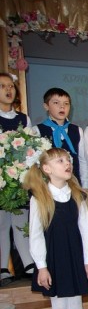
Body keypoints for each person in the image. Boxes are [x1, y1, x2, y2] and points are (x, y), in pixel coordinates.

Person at [24, 148, 88, 309]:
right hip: (54, 258)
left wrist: (87, 261)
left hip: (74, 256)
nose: (67, 164)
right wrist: (42, 267)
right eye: (60, 161)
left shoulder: (78, 196)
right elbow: (36, 235)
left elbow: (86, 231)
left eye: (68, 160)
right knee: (59, 306)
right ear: (46, 169)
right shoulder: (39, 198)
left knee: (75, 304)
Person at [0, 72, 34, 283]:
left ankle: (28, 264)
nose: (8, 89)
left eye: (11, 86)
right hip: (1, 179)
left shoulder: (23, 119)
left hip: (19, 177)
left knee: (21, 220)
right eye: (3, 86)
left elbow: (30, 148)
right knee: (2, 223)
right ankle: (3, 267)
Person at [35, 88, 88, 188]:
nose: (62, 106)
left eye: (66, 103)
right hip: (49, 186)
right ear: (46, 106)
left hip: (74, 184)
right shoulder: (37, 130)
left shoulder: (77, 130)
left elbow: (82, 160)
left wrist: (86, 186)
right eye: (56, 103)